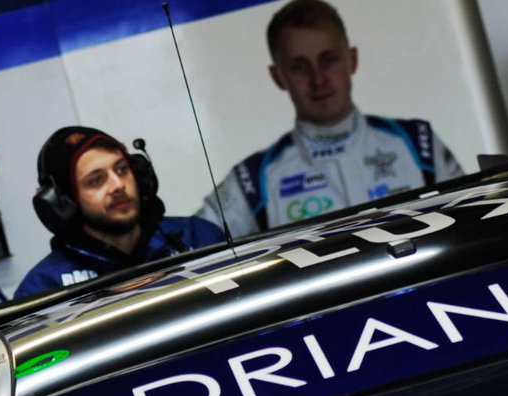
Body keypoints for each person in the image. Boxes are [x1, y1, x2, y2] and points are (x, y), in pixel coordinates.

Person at [195, 0, 466, 238]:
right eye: (300, 67)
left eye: (329, 60)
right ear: (278, 77)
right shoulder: (253, 179)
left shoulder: (418, 143)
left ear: (352, 60)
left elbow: (472, 221)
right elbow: (188, 243)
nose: (318, 79)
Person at [17, 126, 223, 298]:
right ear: (63, 202)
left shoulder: (197, 236)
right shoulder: (45, 286)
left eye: (122, 169)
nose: (118, 185)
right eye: (96, 180)